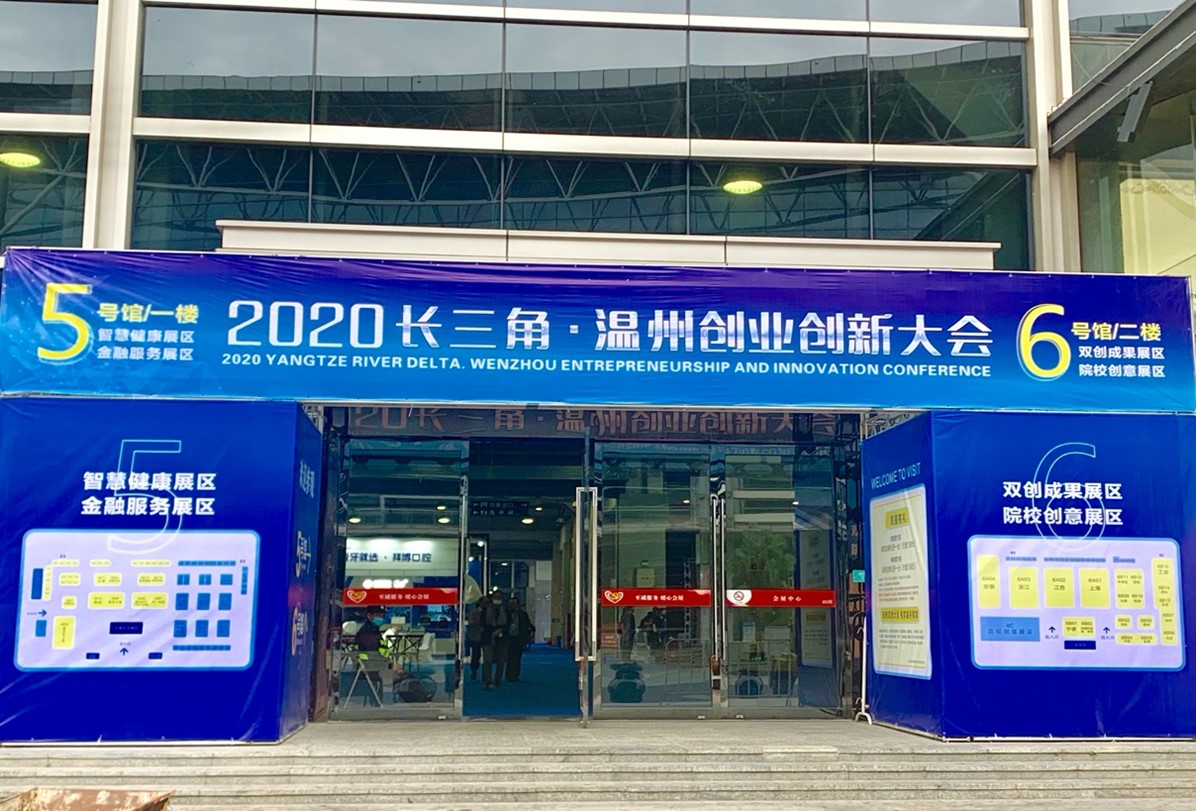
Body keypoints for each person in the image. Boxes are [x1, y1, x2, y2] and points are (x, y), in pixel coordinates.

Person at [480, 590, 509, 689]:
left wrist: (501, 630)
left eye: (499, 597)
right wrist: (491, 632)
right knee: (487, 660)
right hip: (488, 638)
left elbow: (509, 623)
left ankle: (498, 681)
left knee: (501, 661)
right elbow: (482, 623)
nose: (497, 599)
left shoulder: (505, 609)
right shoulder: (486, 609)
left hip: (502, 639)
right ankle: (488, 681)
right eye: (495, 597)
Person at [504, 595, 533, 682]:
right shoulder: (506, 613)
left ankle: (515, 674)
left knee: (517, 657)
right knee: (509, 657)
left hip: (519, 638)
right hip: (509, 637)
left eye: (514, 604)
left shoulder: (522, 614)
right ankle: (509, 675)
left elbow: (527, 625)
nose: (512, 605)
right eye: (510, 604)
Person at [466, 595, 489, 681]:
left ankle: (486, 674)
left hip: (487, 636)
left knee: (488, 656)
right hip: (476, 637)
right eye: (485, 603)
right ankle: (474, 671)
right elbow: (471, 622)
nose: (486, 605)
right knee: (476, 655)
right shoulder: (474, 612)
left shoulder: (490, 612)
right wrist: (477, 622)